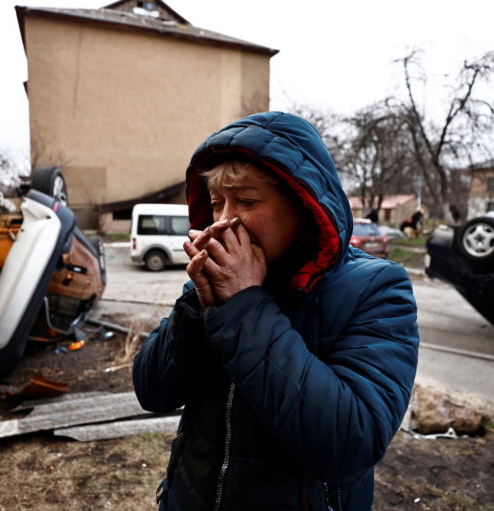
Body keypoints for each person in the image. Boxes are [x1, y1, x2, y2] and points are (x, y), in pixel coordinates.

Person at [133, 112, 419, 510]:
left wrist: (244, 307)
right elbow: (152, 391)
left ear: (303, 204)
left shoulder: (376, 288)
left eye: (247, 201)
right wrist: (196, 309)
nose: (224, 221)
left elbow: (350, 444)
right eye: (216, 204)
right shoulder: (219, 277)